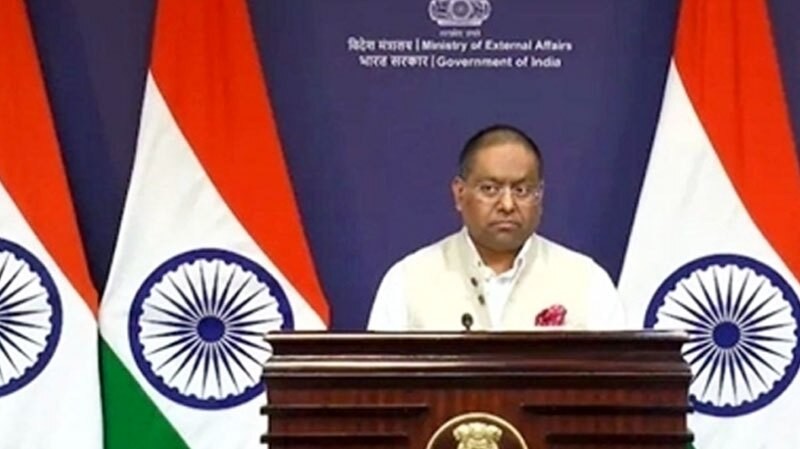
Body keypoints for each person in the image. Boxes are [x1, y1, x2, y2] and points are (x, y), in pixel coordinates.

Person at [367, 124, 625, 331]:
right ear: (459, 193)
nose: (507, 205)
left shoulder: (587, 281)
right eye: (490, 189)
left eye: (521, 190)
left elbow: (617, 376)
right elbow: (381, 379)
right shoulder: (407, 281)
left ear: (540, 195)